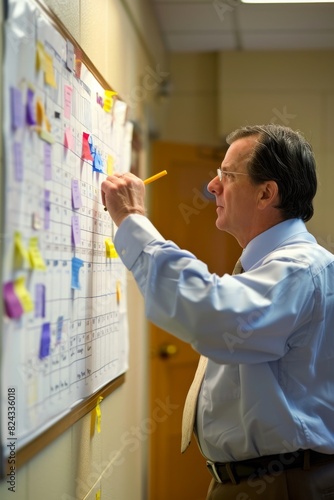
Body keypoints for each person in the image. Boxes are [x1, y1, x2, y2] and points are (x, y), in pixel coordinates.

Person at [101, 124, 334, 500]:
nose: (212, 186)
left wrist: (131, 219)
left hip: (282, 485)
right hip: (257, 480)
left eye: (226, 175)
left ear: (266, 193)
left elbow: (213, 310)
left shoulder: (298, 268)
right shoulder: (274, 265)